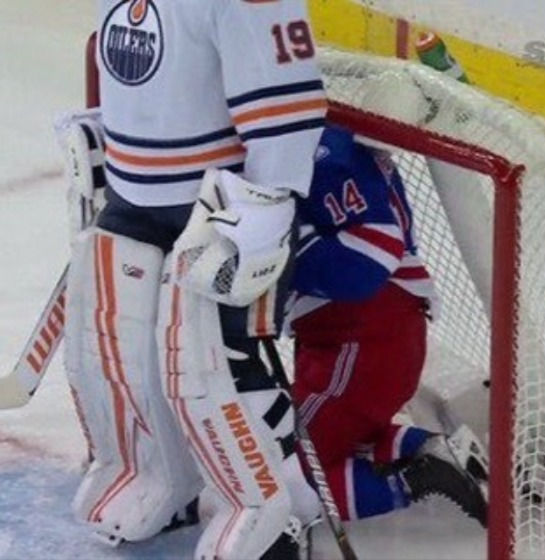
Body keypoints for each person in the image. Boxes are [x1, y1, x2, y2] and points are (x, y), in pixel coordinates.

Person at [62, 1, 326, 559]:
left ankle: (273, 513)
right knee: (123, 352)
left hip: (216, 208)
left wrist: (268, 199)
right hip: (134, 197)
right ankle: (160, 481)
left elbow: (288, 100)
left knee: (214, 365)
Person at [288, 124, 489, 525]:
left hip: (362, 343)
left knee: (289, 467)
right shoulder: (328, 137)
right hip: (369, 340)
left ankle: (419, 478)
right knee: (339, 433)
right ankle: (434, 451)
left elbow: (371, 253)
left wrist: (285, 251)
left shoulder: (323, 154)